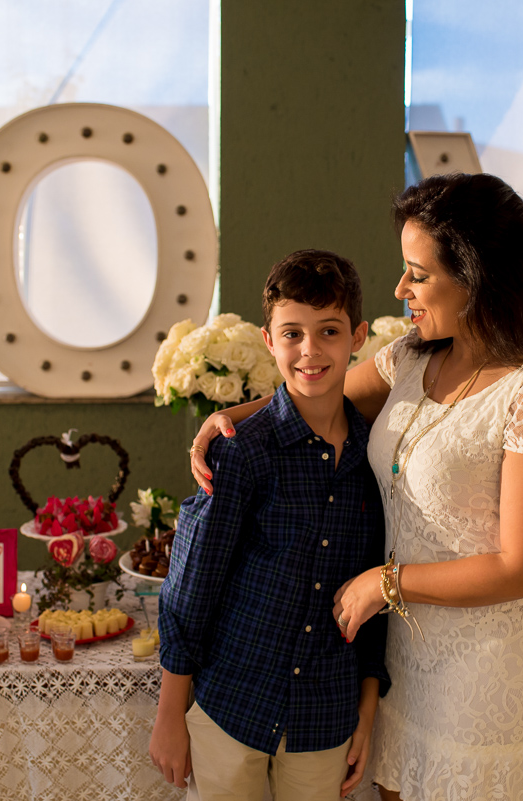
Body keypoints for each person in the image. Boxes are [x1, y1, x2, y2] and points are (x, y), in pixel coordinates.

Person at [189, 173, 523, 800]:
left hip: (499, 667)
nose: (400, 289)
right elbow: (314, 394)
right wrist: (229, 420)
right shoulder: (414, 355)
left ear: (477, 277)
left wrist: (386, 584)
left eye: (419, 273)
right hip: (410, 660)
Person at [151, 249, 391, 801]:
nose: (310, 350)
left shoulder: (374, 459)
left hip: (325, 718)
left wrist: (367, 709)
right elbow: (192, 586)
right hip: (233, 702)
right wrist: (170, 713)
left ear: (356, 338)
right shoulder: (241, 451)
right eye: (292, 334)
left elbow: (377, 594)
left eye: (328, 331)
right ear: (268, 341)